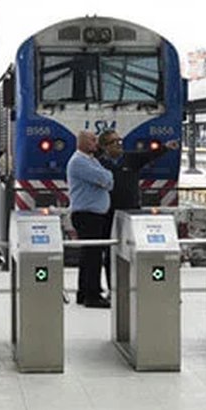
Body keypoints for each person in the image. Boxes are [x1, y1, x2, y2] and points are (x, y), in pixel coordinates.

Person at [97, 130, 178, 288]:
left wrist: (166, 147)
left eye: (119, 141)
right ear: (105, 147)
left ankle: (133, 286)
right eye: (114, 142)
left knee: (133, 248)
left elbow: (149, 155)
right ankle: (113, 287)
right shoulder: (99, 164)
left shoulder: (130, 159)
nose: (119, 144)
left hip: (131, 212)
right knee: (110, 251)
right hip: (108, 213)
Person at [67, 130, 114, 308]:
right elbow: (105, 178)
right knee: (92, 256)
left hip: (94, 214)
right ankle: (92, 295)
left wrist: (107, 178)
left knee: (89, 255)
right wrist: (107, 177)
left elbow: (108, 180)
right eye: (93, 140)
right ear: (83, 143)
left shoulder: (91, 160)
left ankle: (84, 291)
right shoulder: (79, 162)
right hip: (87, 214)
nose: (96, 143)